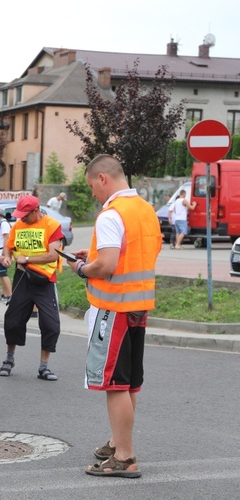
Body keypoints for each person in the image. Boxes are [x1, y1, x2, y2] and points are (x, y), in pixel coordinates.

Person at [66, 154, 161, 478]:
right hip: (138, 305)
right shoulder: (145, 210)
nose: (93, 193)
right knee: (130, 382)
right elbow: (132, 254)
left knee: (114, 384)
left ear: (103, 179)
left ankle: (124, 456)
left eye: (92, 186)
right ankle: (118, 441)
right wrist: (93, 256)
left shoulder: (111, 214)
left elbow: (106, 266)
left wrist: (82, 268)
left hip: (113, 309)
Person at [0, 195, 64, 381]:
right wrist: (6, 257)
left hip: (44, 280)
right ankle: (9, 360)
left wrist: (27, 259)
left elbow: (52, 255)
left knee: (50, 324)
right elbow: (9, 246)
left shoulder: (52, 225)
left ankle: (44, 367)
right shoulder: (18, 225)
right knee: (12, 321)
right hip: (22, 278)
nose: (22, 218)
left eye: (25, 215)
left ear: (36, 210)